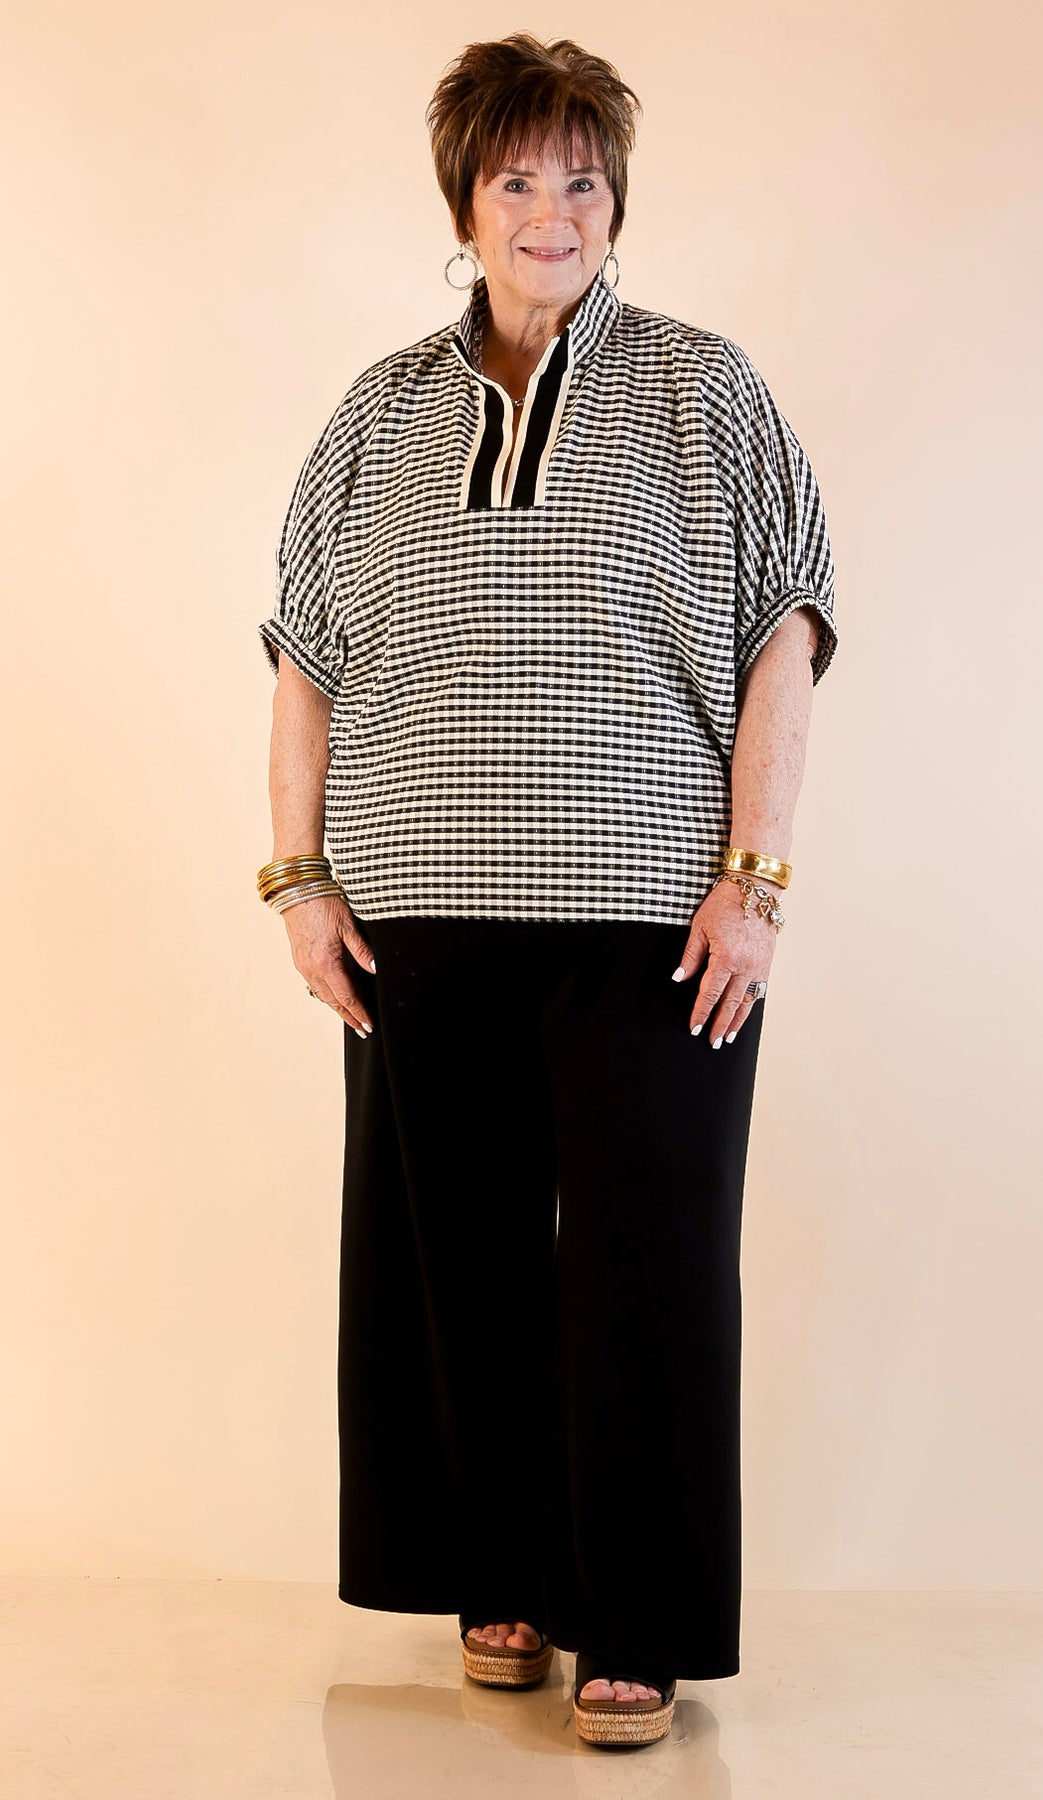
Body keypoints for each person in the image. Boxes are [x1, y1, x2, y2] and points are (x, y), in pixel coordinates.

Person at [256, 31, 838, 1751]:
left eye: (583, 179)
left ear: (618, 203)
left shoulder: (703, 389)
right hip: (419, 911)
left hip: (651, 913)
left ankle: (634, 1626)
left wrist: (755, 882)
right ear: (466, 203)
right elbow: (304, 661)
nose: (552, 210)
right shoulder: (377, 413)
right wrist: (299, 881)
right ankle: (495, 1578)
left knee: (649, 1261)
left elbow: (786, 632)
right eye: (517, 178)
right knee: (460, 1258)